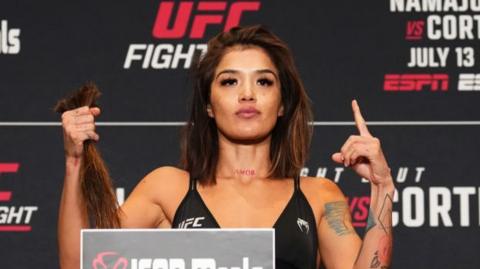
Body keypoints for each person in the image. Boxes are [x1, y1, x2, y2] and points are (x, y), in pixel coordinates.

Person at [58, 25, 394, 269]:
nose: (247, 93)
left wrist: (382, 188)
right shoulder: (167, 189)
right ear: (208, 103)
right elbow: (79, 265)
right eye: (230, 81)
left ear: (281, 104)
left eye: (263, 81)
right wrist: (75, 162)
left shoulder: (320, 197)